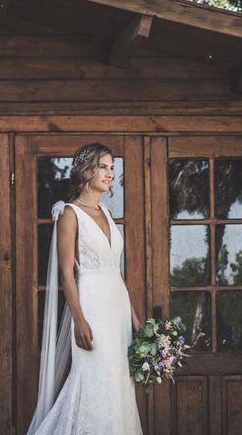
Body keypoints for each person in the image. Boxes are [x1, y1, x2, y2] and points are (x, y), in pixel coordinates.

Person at [27, 142, 144, 435]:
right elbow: (66, 273)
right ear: (86, 169)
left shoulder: (106, 212)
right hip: (91, 305)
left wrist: (133, 316)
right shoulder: (69, 213)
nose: (109, 174)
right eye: (103, 167)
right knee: (93, 379)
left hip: (116, 308)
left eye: (112, 168)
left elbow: (116, 271)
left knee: (118, 382)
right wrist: (79, 319)